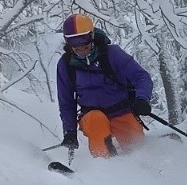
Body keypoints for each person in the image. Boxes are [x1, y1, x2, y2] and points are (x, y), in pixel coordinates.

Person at [56, 13, 156, 158]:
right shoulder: (66, 65)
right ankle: (104, 168)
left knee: (135, 145)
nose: (80, 46)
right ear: (67, 42)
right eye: (73, 42)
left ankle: (146, 170)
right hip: (91, 115)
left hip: (121, 111)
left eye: (83, 39)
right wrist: (69, 131)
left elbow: (141, 77)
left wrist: (142, 99)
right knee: (96, 120)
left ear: (91, 35)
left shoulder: (112, 54)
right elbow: (66, 103)